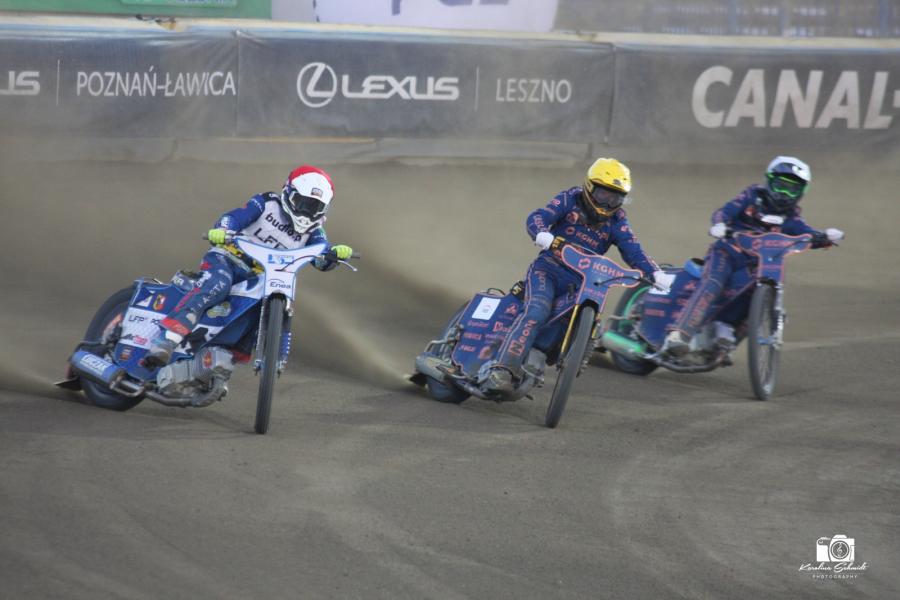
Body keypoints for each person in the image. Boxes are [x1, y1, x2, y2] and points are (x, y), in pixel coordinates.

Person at [486, 157, 667, 392]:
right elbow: (538, 216)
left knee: (581, 318)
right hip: (548, 269)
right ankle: (502, 369)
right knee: (537, 311)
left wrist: (655, 273)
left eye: (616, 197)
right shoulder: (569, 198)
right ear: (589, 187)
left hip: (582, 282)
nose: (609, 202)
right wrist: (542, 233)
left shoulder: (618, 220)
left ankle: (565, 353)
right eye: (604, 194)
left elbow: (634, 250)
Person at [144, 165, 354, 367]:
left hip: (262, 278)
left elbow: (321, 257)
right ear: (289, 193)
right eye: (303, 203)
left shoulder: (315, 232)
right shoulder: (266, 203)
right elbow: (234, 217)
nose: (307, 212)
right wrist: (222, 230)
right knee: (218, 283)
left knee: (261, 308)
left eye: (315, 207)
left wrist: (335, 254)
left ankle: (223, 362)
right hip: (227, 259)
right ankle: (167, 339)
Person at [661, 156, 844, 355]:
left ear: (801, 192)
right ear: (769, 181)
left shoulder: (792, 216)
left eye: (792, 189)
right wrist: (720, 224)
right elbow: (725, 211)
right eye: (780, 185)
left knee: (759, 297)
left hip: (759, 264)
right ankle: (678, 335)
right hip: (727, 253)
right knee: (713, 282)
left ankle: (724, 330)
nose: (784, 193)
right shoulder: (751, 196)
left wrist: (824, 237)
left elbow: (805, 233)